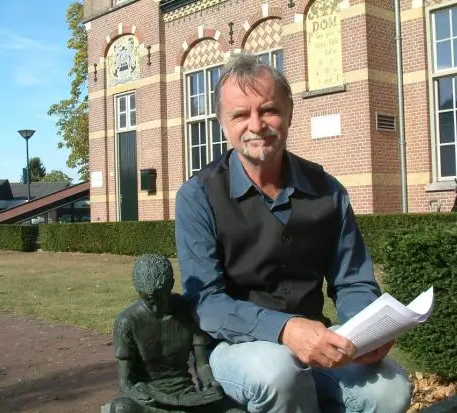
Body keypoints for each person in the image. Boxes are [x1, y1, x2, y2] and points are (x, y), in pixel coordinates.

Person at [175, 54, 413, 413]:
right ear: (222, 124)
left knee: (391, 389)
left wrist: (366, 332)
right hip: (233, 348)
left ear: (289, 114)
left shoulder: (327, 190)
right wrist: (285, 329)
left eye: (268, 110)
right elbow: (206, 303)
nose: (256, 125)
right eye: (240, 115)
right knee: (280, 373)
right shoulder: (198, 196)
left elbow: (353, 281)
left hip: (314, 342)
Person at [110, 254, 244, 413]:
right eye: (149, 302)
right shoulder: (126, 322)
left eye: (161, 300)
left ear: (171, 285)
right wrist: (134, 392)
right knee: (121, 408)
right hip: (150, 400)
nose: (156, 308)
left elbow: (202, 365)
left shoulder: (187, 311)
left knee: (234, 410)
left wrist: (210, 382)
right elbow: (125, 383)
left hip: (186, 396)